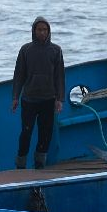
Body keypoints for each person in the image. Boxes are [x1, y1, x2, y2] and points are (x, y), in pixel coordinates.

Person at [10, 16, 65, 169]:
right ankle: (20, 164)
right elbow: (19, 75)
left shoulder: (56, 50)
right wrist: (15, 97)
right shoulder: (26, 50)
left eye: (45, 30)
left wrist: (59, 99)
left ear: (49, 32)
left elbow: (59, 76)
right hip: (29, 99)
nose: (42, 33)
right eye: (39, 29)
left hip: (48, 99)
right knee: (26, 133)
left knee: (45, 133)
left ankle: (40, 163)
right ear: (34, 31)